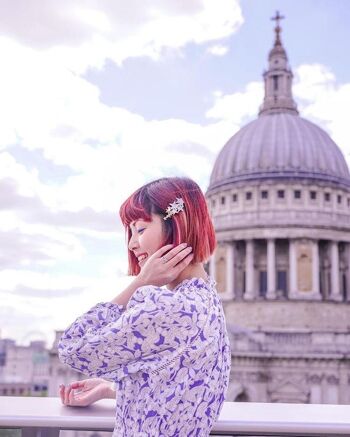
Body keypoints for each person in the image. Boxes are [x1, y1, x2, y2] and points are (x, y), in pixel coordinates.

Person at [58, 176, 231, 437]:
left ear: (177, 226)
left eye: (140, 230)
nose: (131, 244)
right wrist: (113, 389)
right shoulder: (207, 302)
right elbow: (183, 389)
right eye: (130, 232)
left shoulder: (168, 306)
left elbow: (72, 347)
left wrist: (139, 283)